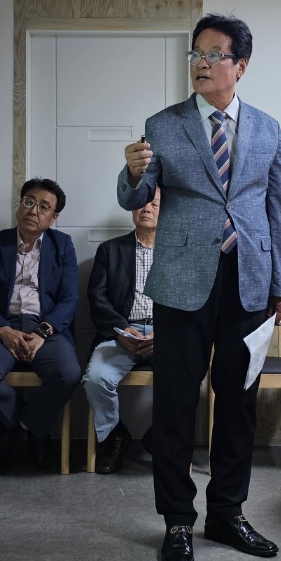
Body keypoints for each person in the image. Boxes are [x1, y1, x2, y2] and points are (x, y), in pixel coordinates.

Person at [119, 13, 281, 561]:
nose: (201, 63)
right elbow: (137, 196)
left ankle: (227, 514)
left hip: (249, 281)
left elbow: (279, 210)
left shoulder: (268, 128)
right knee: (175, 404)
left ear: (240, 66)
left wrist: (280, 285)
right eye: (196, 54)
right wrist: (132, 173)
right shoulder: (164, 124)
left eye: (214, 54)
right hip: (181, 280)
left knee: (238, 404)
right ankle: (176, 521)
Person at [0, 178, 81, 475]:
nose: (33, 210)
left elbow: (69, 299)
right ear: (19, 205)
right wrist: (2, 330)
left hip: (45, 328)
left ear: (53, 218)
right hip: (1, 327)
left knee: (68, 374)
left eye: (44, 207)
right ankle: (27, 428)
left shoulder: (63, 245)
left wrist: (43, 332)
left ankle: (23, 428)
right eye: (29, 201)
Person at [83, 189, 161, 474]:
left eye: (155, 204)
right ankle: (115, 436)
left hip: (164, 335)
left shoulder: (176, 252)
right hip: (121, 333)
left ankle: (159, 436)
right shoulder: (110, 250)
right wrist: (121, 330)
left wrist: (164, 334)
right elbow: (97, 297)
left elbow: (187, 302)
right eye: (141, 203)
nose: (147, 208)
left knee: (190, 377)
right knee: (95, 378)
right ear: (132, 209)